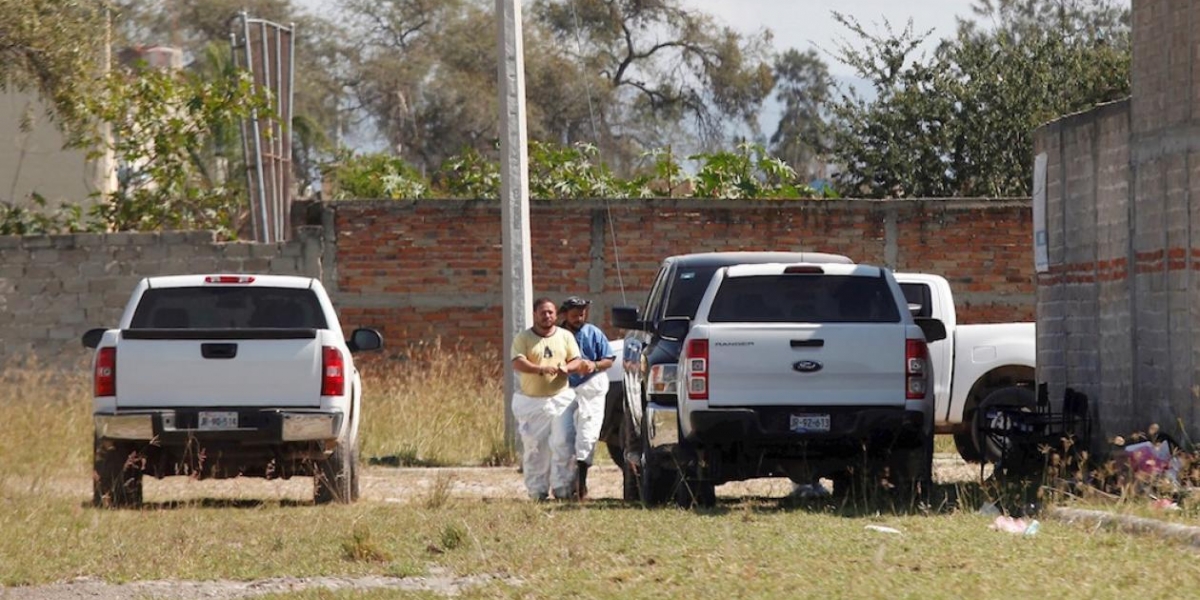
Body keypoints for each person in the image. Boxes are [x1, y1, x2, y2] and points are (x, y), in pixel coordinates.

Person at [510, 297, 584, 500]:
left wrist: (566, 369)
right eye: (543, 312)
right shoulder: (523, 338)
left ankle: (563, 489)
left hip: (561, 399)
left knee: (563, 443)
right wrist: (540, 369)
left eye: (550, 312)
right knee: (535, 448)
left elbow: (576, 360)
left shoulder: (565, 336)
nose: (547, 316)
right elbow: (518, 362)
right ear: (535, 314)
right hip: (533, 402)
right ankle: (537, 491)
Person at [559, 296, 615, 500]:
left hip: (591, 387)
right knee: (562, 436)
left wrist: (595, 365)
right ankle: (563, 485)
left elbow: (608, 359)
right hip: (564, 388)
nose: (578, 317)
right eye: (574, 314)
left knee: (587, 434)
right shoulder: (557, 335)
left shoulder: (593, 333)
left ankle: (581, 485)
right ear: (565, 314)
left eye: (582, 313)